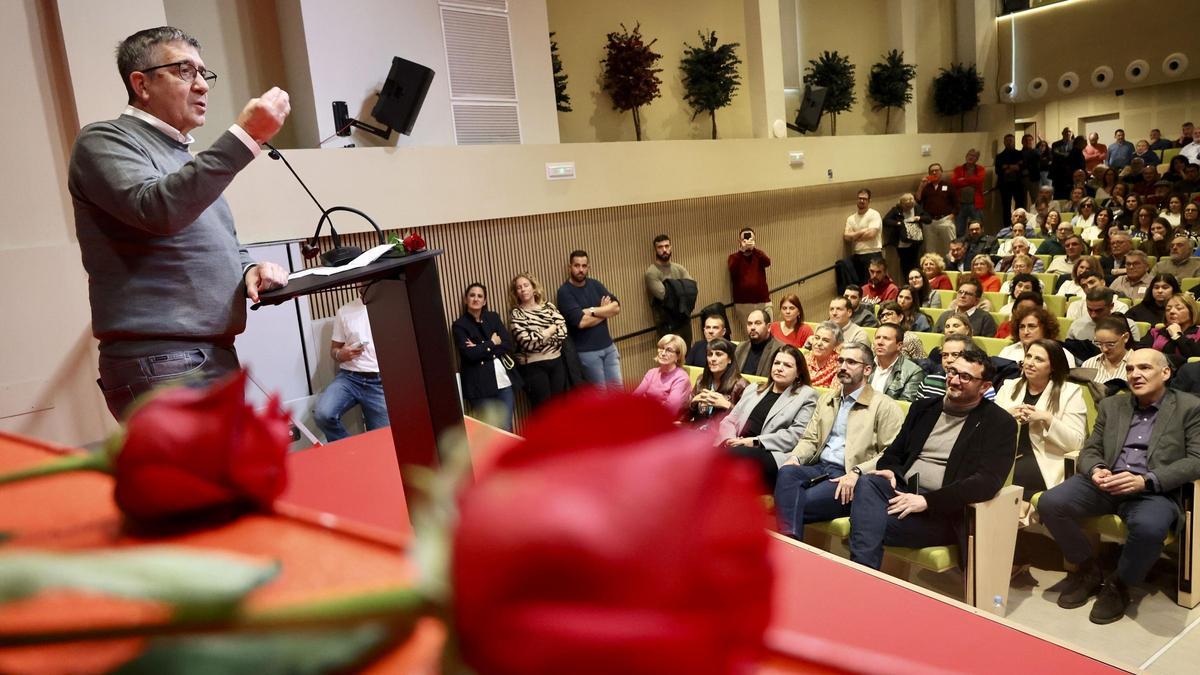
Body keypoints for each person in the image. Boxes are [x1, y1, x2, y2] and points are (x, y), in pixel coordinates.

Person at [71, 26, 292, 419]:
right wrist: (245, 137)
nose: (202, 85)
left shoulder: (183, 158)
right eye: (185, 71)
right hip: (163, 358)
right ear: (141, 84)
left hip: (200, 353)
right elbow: (159, 210)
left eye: (203, 73)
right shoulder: (104, 140)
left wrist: (248, 268)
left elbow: (216, 240)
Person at [1038, 349, 1200, 624]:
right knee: (1050, 503)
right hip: (1106, 482)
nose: (1135, 374)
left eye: (1145, 368)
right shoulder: (1112, 405)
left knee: (1149, 528)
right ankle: (1088, 569)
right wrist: (1097, 469)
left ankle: (1120, 584)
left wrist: (1146, 480)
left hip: (1152, 490)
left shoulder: (1190, 407)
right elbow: (1090, 449)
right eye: (1131, 369)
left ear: (1165, 373)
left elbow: (1196, 459)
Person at [847, 350, 1017, 570]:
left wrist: (928, 501)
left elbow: (986, 482)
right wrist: (891, 470)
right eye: (952, 371)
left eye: (965, 377)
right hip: (903, 493)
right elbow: (893, 453)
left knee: (867, 523)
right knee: (868, 482)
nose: (954, 380)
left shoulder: (999, 423)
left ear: (984, 387)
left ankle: (860, 576)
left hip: (943, 512)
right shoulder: (924, 408)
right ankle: (863, 576)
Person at [774, 341, 905, 539]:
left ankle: (787, 541)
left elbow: (890, 455)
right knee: (787, 471)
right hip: (820, 467)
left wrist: (857, 472)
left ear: (867, 369)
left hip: (849, 474)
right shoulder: (827, 399)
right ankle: (789, 539)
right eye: (841, 361)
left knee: (795, 502)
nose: (843, 366)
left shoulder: (885, 406)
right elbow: (810, 438)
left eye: (851, 362)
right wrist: (796, 457)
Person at [995, 340, 1088, 502]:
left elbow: (1077, 443)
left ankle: (1022, 511)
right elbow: (987, 430)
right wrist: (1008, 416)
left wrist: (1047, 419)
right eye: (1028, 356)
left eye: (1038, 359)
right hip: (1005, 455)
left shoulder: (1070, 392)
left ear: (1053, 367)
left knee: (1014, 479)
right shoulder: (1009, 386)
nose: (1030, 363)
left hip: (1044, 460)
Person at [720, 346, 819, 490]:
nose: (779, 368)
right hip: (738, 446)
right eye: (777, 363)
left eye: (787, 365)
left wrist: (755, 441)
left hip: (771, 453)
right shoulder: (753, 389)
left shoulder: (807, 395)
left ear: (798, 372)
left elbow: (796, 435)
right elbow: (729, 420)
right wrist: (730, 439)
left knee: (732, 456)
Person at [313, 291, 389, 443]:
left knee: (383, 442)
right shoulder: (345, 311)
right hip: (350, 377)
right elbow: (334, 350)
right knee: (322, 414)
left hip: (379, 381)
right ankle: (351, 448)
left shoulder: (391, 308)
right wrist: (341, 354)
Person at [453, 283, 519, 432]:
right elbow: (469, 354)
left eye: (480, 296)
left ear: (485, 301)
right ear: (465, 300)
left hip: (504, 383)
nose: (476, 299)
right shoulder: (459, 325)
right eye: (472, 295)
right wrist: (492, 342)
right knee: (492, 432)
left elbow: (507, 344)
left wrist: (480, 347)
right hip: (479, 386)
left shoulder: (493, 317)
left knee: (507, 428)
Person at [557, 250, 622, 389]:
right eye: (577, 265)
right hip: (587, 353)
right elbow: (581, 322)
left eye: (584, 266)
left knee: (618, 392)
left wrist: (592, 311)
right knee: (600, 395)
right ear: (570, 267)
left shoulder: (595, 284)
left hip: (609, 348)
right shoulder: (564, 292)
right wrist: (605, 311)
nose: (581, 270)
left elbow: (616, 307)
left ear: (588, 267)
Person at [508, 273, 568, 408]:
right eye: (519, 287)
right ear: (516, 293)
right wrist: (550, 330)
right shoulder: (517, 313)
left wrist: (538, 336)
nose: (523, 289)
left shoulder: (549, 307)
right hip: (533, 367)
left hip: (557, 362)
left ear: (534, 288)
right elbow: (527, 343)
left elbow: (563, 332)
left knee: (559, 408)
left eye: (526, 285)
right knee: (543, 410)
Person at [686, 338, 749, 429]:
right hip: (697, 433)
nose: (713, 359)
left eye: (718, 354)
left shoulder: (741, 385)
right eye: (710, 354)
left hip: (722, 435)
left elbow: (746, 422)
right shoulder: (701, 380)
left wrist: (727, 405)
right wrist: (693, 402)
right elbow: (684, 418)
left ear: (729, 359)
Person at [644, 234, 694, 345]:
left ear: (670, 247)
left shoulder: (679, 268)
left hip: (685, 321)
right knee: (670, 352)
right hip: (667, 324)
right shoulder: (652, 272)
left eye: (666, 246)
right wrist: (682, 289)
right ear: (655, 250)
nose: (664, 250)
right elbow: (665, 297)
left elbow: (691, 290)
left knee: (687, 352)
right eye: (660, 247)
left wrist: (673, 288)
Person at [632, 333, 691, 416]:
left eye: (669, 350)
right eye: (661, 348)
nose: (663, 353)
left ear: (678, 356)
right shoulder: (652, 372)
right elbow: (634, 398)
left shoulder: (682, 378)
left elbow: (670, 410)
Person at [728, 227, 771, 341]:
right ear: (739, 241)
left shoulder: (758, 255)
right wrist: (742, 251)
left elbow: (767, 262)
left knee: (768, 332)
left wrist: (754, 249)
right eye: (744, 239)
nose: (747, 241)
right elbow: (732, 269)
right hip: (743, 304)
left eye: (750, 238)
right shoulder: (734, 257)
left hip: (763, 301)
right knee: (751, 335)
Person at [998, 305, 1076, 366]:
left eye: (1031, 326)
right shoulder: (1008, 351)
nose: (1025, 332)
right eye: (1022, 327)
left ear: (1045, 328)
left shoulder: (1062, 355)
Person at [1140, 293, 1200, 364]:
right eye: (1168, 309)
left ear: (1191, 311)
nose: (1171, 311)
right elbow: (1140, 352)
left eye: (1178, 308)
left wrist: (1177, 336)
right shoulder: (1155, 332)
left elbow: (1195, 356)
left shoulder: (1198, 333)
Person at [870, 324, 925, 402]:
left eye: (886, 338)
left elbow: (904, 406)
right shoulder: (864, 364)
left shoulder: (913, 372)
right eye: (877, 338)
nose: (880, 342)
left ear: (899, 345)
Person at [882, 193, 930, 279]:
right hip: (902, 243)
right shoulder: (896, 210)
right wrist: (899, 223)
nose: (909, 209)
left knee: (916, 264)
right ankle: (908, 281)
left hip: (915, 242)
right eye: (907, 206)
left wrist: (919, 218)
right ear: (902, 204)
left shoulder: (916, 208)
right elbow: (886, 221)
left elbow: (928, 219)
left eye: (911, 206)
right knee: (905, 265)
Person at [1080, 316, 1133, 388]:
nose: (1104, 349)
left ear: (1125, 337)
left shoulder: (1139, 363)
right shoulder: (1089, 364)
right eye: (1099, 344)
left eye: (1110, 344)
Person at [1066, 287, 1136, 341]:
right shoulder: (1076, 326)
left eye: (1098, 310)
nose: (1093, 315)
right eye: (1090, 309)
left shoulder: (1128, 326)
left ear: (1111, 306)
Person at [844, 188, 883, 285]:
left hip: (873, 253)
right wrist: (863, 230)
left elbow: (871, 234)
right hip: (858, 254)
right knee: (861, 285)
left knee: (874, 284)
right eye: (860, 198)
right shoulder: (851, 218)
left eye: (864, 199)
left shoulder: (874, 214)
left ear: (869, 201)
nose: (861, 201)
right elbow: (846, 237)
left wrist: (854, 236)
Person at [917, 163, 958, 255]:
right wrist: (921, 186)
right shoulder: (926, 187)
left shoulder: (948, 185)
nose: (934, 172)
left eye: (937, 170)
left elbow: (956, 203)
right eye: (932, 171)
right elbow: (918, 200)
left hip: (945, 219)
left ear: (941, 172)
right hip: (930, 221)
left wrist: (952, 215)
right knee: (930, 248)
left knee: (949, 247)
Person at [735, 309, 784, 378]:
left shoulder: (779, 349)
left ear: (768, 327)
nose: (752, 327)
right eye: (749, 324)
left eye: (757, 323)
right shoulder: (741, 347)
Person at [952, 149, 986, 236]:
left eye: (974, 156)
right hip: (960, 204)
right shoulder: (958, 169)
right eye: (969, 155)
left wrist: (963, 180)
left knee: (978, 228)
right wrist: (971, 181)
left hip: (975, 204)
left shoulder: (980, 169)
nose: (971, 157)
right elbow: (954, 182)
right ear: (966, 156)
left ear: (977, 159)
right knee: (959, 230)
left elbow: (979, 181)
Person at [995, 133, 1026, 225]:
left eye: (1011, 140)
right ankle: (1007, 227)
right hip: (1005, 184)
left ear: (1014, 142)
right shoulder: (999, 156)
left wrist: (1007, 167)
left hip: (1018, 183)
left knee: (1020, 206)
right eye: (1007, 141)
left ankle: (1020, 225)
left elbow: (1023, 167)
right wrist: (1014, 166)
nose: (1009, 142)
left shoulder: (1020, 154)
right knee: (1006, 207)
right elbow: (998, 170)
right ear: (1004, 142)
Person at [806, 322, 844, 388]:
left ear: (835, 345)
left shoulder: (840, 365)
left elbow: (834, 392)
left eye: (825, 340)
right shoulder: (804, 359)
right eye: (817, 338)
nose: (819, 343)